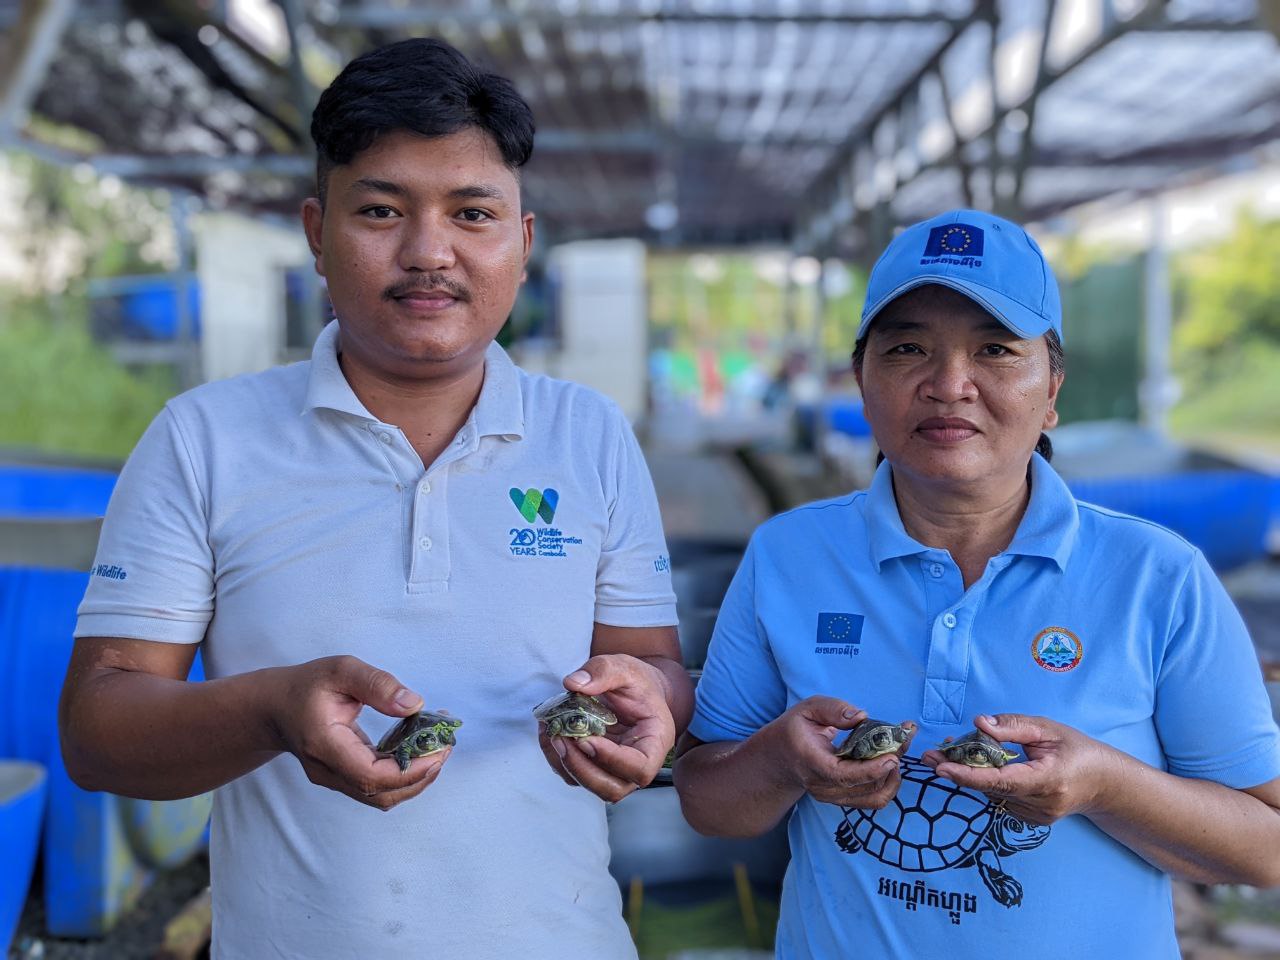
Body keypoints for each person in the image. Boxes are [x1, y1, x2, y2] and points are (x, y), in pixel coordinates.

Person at [60, 38, 691, 959]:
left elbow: (654, 666)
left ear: (520, 242)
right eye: (383, 210)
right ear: (316, 232)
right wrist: (275, 711)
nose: (428, 252)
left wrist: (656, 703)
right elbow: (97, 732)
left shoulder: (588, 436)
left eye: (472, 212)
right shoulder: (204, 439)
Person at [673, 209, 1280, 958]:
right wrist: (779, 761)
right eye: (907, 349)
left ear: (1053, 388)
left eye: (995, 349)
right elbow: (707, 801)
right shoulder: (790, 556)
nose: (949, 384)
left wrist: (1102, 784)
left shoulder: (1157, 578)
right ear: (862, 381)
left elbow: (1265, 849)